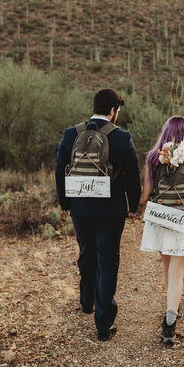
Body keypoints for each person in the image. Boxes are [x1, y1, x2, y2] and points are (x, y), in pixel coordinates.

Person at [55, 88, 141, 341]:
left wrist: (66, 202)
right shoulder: (122, 138)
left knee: (86, 251)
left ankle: (86, 301)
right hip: (111, 210)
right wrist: (133, 205)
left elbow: (60, 169)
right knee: (108, 259)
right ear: (113, 111)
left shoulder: (72, 134)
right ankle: (103, 323)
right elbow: (132, 176)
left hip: (80, 208)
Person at [139, 116, 184, 345]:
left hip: (160, 219)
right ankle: (169, 324)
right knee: (177, 272)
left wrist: (137, 208)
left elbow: (145, 195)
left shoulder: (153, 158)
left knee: (168, 268)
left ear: (165, 133)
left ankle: (172, 309)